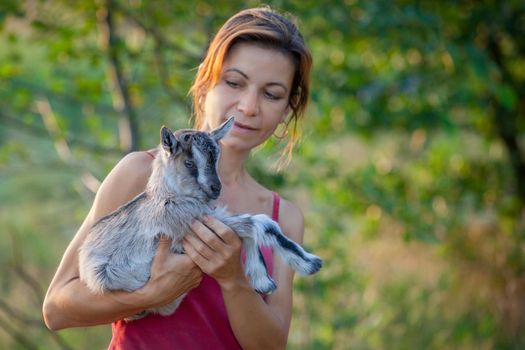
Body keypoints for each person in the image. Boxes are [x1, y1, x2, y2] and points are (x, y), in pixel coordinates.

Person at [43, 6, 312, 349]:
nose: (248, 106)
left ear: (288, 108)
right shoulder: (140, 173)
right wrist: (152, 293)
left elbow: (270, 345)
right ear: (205, 82)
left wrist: (234, 279)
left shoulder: (281, 217)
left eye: (271, 94)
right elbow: (56, 308)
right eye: (234, 82)